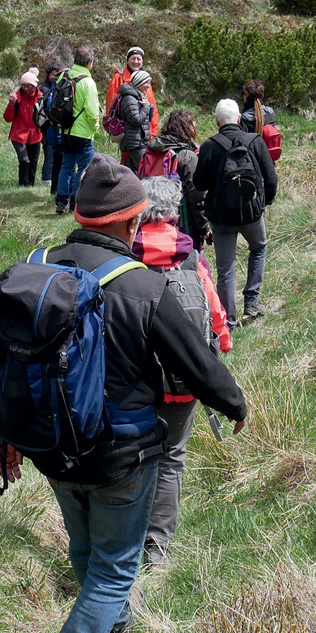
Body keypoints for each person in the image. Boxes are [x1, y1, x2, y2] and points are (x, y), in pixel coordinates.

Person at [0, 155, 247, 633]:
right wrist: (233, 402)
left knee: (86, 546)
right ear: (132, 222)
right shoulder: (142, 286)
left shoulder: (33, 269)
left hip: (51, 446)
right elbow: (197, 362)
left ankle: (111, 628)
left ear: (79, 214)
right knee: (116, 566)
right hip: (121, 453)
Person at [131, 177, 232, 564]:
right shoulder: (193, 259)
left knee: (136, 455)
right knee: (172, 457)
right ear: (175, 213)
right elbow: (216, 313)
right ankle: (157, 547)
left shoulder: (127, 257)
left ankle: (127, 533)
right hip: (184, 383)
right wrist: (221, 345)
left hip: (137, 380)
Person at [194, 99, 278, 328]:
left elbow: (199, 184)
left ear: (216, 121)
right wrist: (262, 204)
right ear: (239, 119)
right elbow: (271, 179)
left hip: (221, 218)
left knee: (225, 269)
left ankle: (227, 321)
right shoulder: (255, 141)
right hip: (252, 214)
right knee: (258, 248)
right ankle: (252, 303)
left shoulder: (209, 146)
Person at [142, 109, 210, 249]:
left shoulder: (151, 149)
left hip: (150, 217)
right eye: (193, 127)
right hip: (181, 224)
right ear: (186, 129)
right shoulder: (187, 156)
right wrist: (204, 228)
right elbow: (195, 197)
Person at [54, 44, 100, 216]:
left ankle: (61, 201)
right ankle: (76, 203)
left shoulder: (63, 76)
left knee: (66, 166)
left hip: (65, 130)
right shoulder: (88, 82)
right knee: (83, 168)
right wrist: (95, 128)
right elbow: (92, 111)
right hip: (83, 132)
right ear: (89, 62)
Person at [105, 46, 159, 138]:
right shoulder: (118, 78)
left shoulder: (146, 81)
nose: (136, 62)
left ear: (142, 61)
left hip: (145, 131)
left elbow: (152, 107)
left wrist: (153, 131)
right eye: (133, 58)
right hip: (125, 129)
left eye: (139, 59)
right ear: (127, 60)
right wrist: (114, 128)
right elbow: (111, 105)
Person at [3, 67, 43, 186]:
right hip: (18, 135)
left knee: (33, 162)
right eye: (23, 85)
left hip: (35, 135)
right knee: (24, 160)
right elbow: (7, 118)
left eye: (28, 86)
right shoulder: (16, 97)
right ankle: (22, 185)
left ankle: (30, 186)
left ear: (34, 86)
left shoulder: (41, 97)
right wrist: (11, 105)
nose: (26, 88)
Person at [40, 59, 69, 193]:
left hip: (52, 129)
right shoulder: (53, 90)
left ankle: (54, 188)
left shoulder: (52, 90)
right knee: (58, 160)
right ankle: (55, 186)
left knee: (56, 159)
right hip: (55, 131)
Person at [118, 69, 154, 172]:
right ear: (139, 82)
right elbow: (136, 120)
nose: (148, 85)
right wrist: (146, 108)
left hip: (139, 142)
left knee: (135, 172)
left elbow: (147, 120)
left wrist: (149, 107)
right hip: (135, 143)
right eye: (146, 82)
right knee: (144, 172)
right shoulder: (130, 98)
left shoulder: (139, 96)